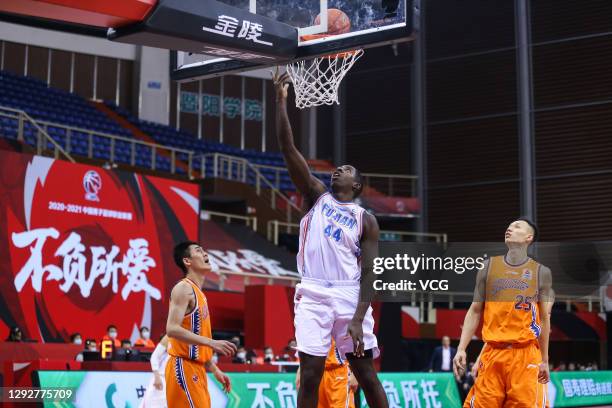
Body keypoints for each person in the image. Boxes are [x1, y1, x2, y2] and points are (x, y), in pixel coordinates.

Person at [273, 69, 388, 408]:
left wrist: (356, 317)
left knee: (365, 372)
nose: (339, 169)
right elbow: (287, 146)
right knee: (310, 373)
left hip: (349, 294)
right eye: (338, 167)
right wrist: (281, 101)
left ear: (357, 186)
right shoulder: (315, 196)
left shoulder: (366, 220)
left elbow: (370, 274)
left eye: (347, 170)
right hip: (313, 290)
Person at [452, 219, 554, 407]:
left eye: (517, 227)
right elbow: (475, 310)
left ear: (528, 237)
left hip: (525, 355)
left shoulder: (541, 273)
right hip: (493, 354)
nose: (510, 228)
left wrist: (545, 361)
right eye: (509, 225)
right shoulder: (487, 268)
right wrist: (461, 348)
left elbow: (544, 321)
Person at [165, 241, 237, 407]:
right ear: (187, 261)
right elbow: (172, 329)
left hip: (198, 368)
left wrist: (214, 368)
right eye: (199, 251)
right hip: (182, 366)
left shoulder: (199, 294)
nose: (205, 254)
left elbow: (196, 340)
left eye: (204, 250)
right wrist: (212, 343)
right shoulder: (183, 289)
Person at [296, 341, 358, 408]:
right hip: (317, 372)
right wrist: (300, 370)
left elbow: (355, 343)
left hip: (339, 372)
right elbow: (307, 350)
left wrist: (355, 374)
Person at [138, 335, 170, 408]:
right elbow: (154, 356)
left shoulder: (191, 336)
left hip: (175, 381)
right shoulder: (170, 336)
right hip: (161, 378)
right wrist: (157, 377)